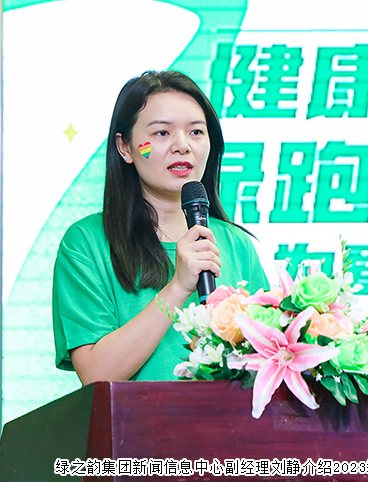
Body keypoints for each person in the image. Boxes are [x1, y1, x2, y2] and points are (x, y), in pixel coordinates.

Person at [52, 70, 270, 385]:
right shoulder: (86, 243)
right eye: (162, 133)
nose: (182, 146)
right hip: (137, 420)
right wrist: (178, 286)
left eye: (196, 132)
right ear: (125, 147)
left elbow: (267, 363)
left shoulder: (236, 245)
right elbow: (96, 375)